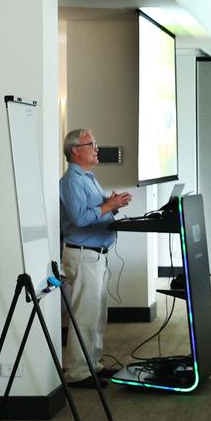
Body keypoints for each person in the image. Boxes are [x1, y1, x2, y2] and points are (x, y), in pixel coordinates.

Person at [58, 128, 132, 388]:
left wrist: (111, 202)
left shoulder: (88, 177)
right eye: (92, 144)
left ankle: (93, 364)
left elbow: (94, 209)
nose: (96, 148)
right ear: (76, 150)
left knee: (97, 315)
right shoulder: (71, 181)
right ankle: (78, 373)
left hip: (96, 254)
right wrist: (108, 206)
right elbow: (80, 218)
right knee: (85, 316)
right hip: (82, 255)